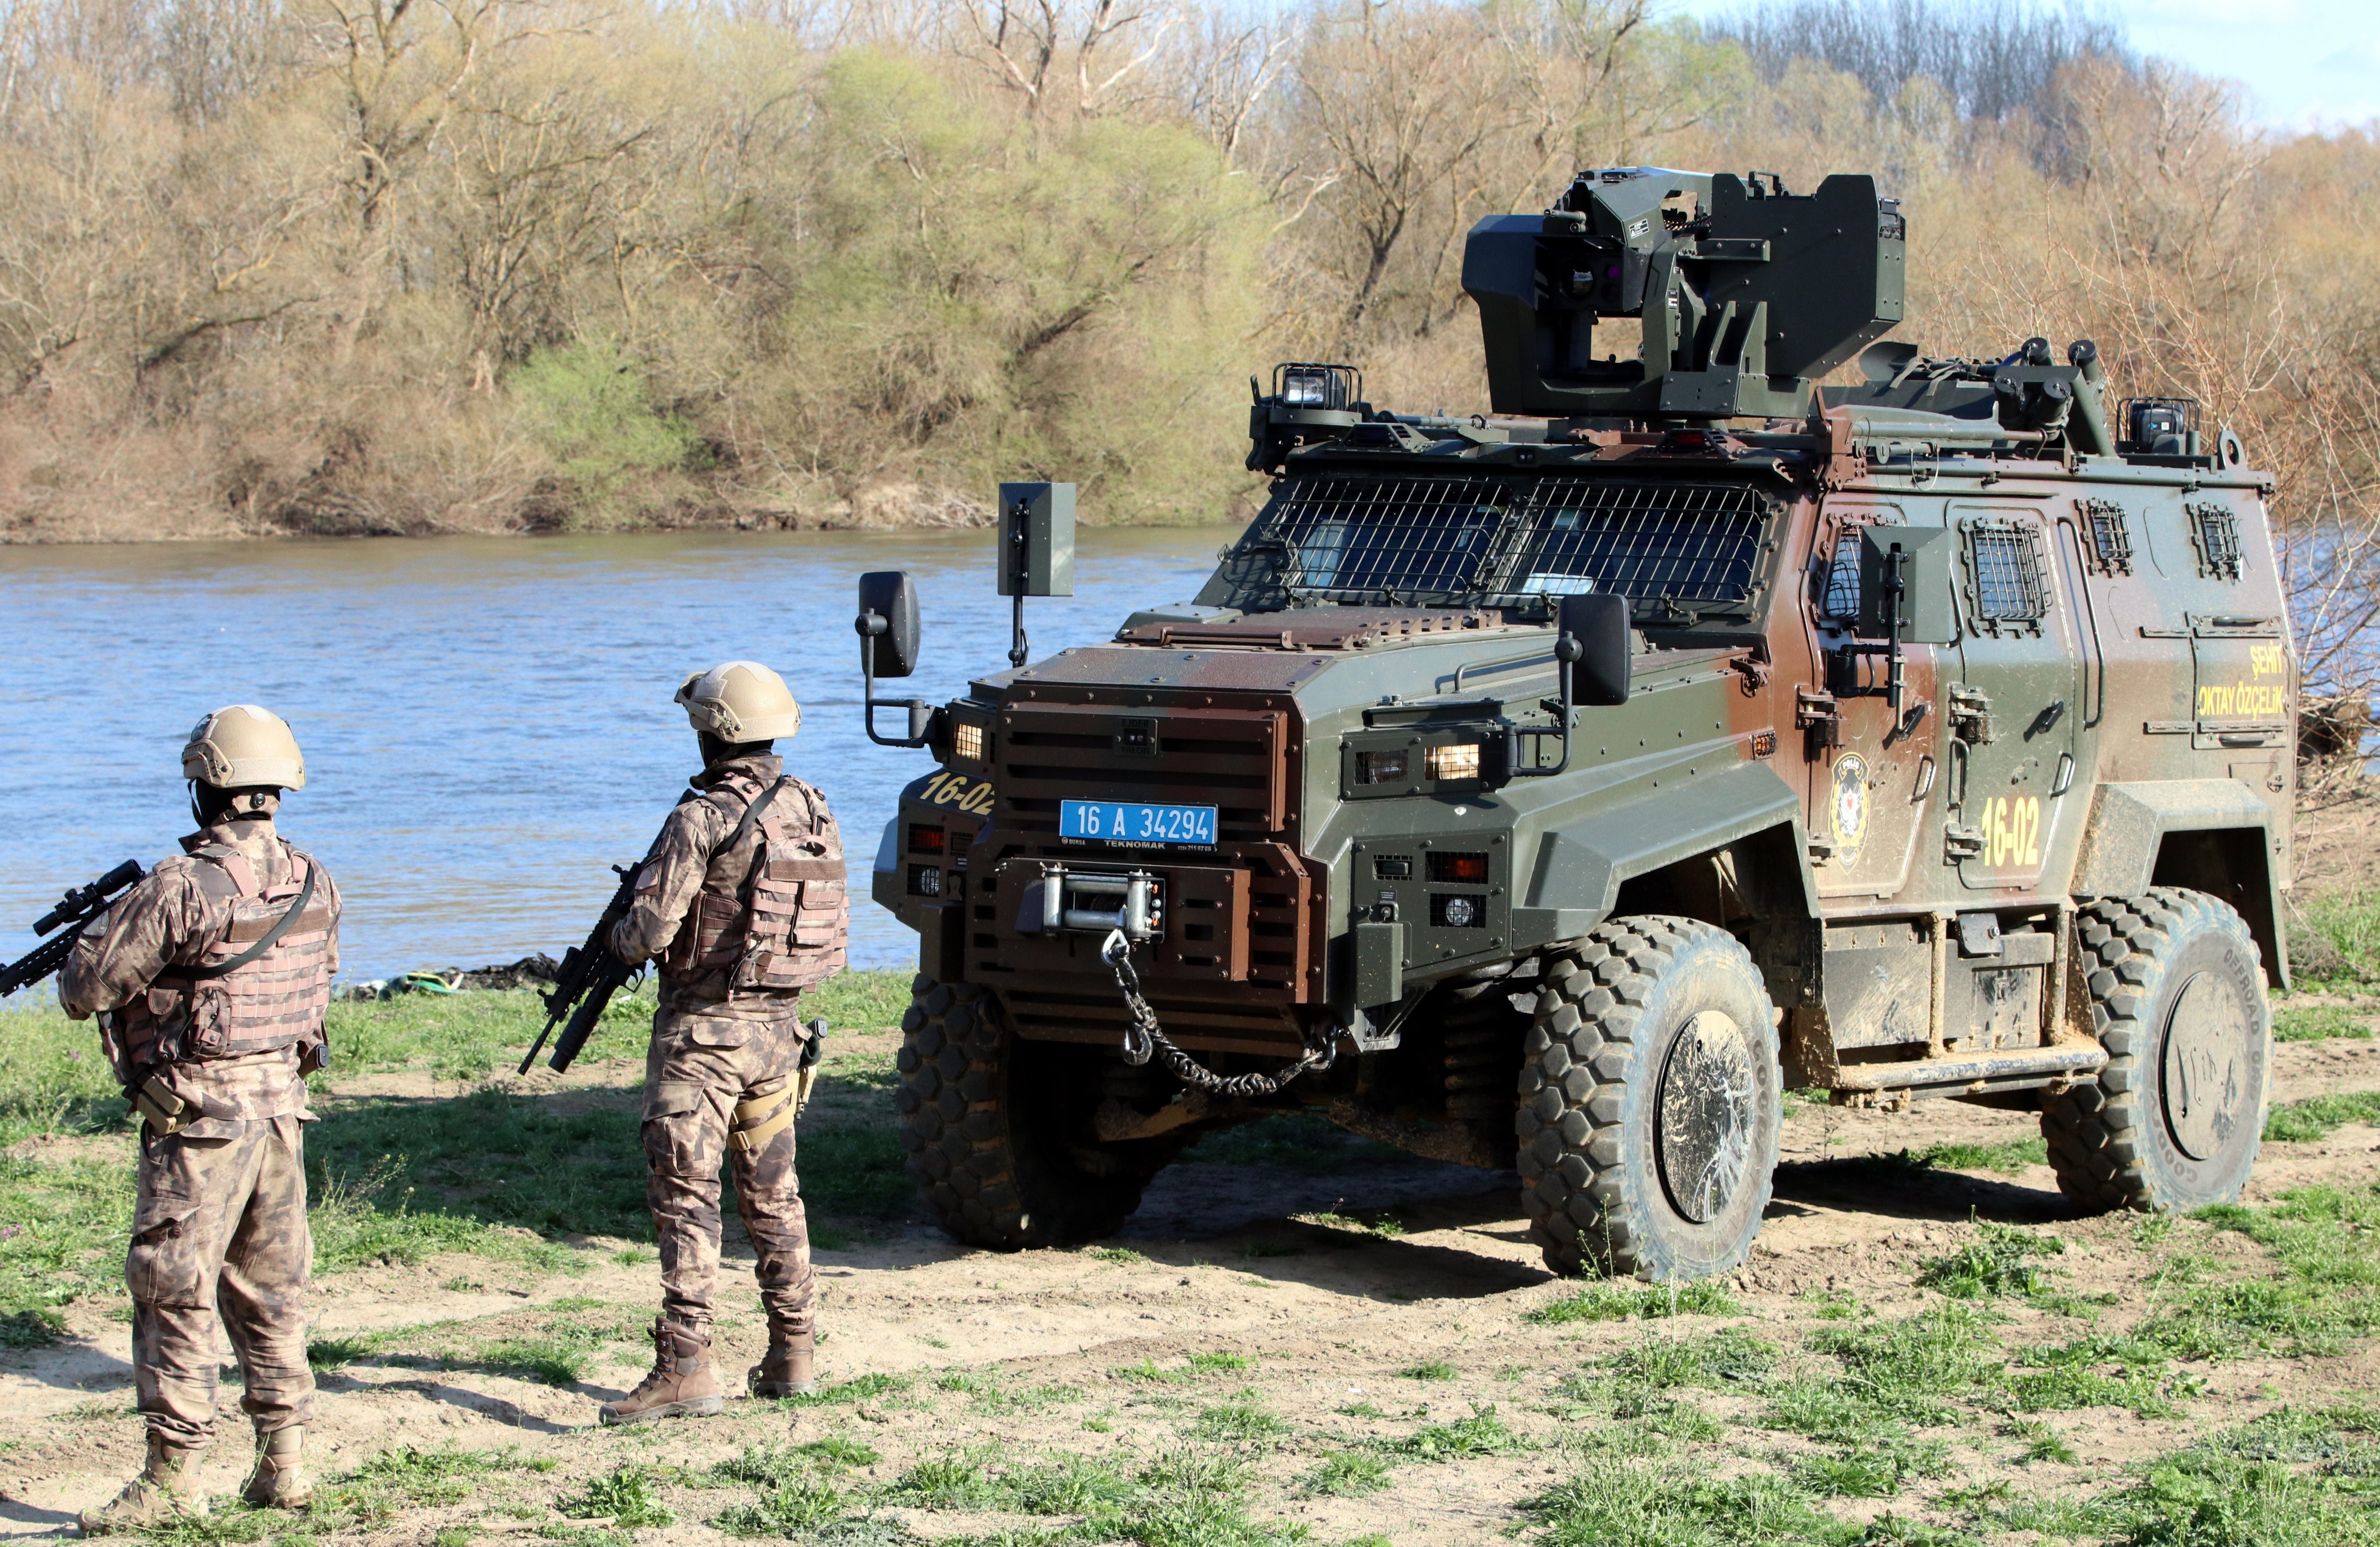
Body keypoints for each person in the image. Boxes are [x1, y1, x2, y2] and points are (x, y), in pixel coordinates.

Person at [61, 707, 340, 1532]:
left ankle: (172, 1475)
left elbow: (88, 991)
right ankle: (283, 1461)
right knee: (272, 1288)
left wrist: (91, 941)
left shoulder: (178, 886)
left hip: (201, 1118)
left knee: (172, 1286)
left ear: (204, 787)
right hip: (283, 1108)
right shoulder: (313, 877)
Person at [599, 662, 846, 1426]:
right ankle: (793, 1348)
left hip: (703, 1037)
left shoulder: (704, 814)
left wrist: (619, 935)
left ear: (710, 732)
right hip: (779, 1030)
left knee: (686, 1196)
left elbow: (647, 933)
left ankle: (686, 1364)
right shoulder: (812, 807)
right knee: (774, 1192)